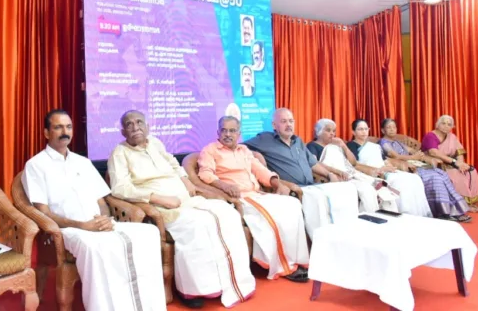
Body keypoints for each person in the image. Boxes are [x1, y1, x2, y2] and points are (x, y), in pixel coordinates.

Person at [108, 110, 255, 308]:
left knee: (228, 213)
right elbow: (119, 188)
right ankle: (193, 289)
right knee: (198, 225)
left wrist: (185, 180)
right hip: (160, 207)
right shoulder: (120, 153)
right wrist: (157, 198)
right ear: (122, 131)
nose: (135, 128)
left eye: (139, 122)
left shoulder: (156, 143)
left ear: (147, 126)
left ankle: (230, 280)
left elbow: (172, 162)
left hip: (186, 200)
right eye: (129, 124)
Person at [23, 110, 167, 310]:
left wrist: (105, 219)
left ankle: (144, 305)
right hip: (68, 229)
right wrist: (83, 225)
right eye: (58, 127)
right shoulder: (36, 165)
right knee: (95, 248)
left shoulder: (83, 162)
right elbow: (43, 212)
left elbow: (101, 201)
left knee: (149, 233)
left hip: (98, 223)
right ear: (47, 133)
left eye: (68, 127)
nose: (65, 132)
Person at [198, 116, 309, 283]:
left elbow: (260, 170)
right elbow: (205, 173)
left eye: (232, 130)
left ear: (239, 133)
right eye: (224, 130)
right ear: (218, 132)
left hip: (257, 194)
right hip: (238, 197)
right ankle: (283, 266)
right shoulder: (210, 150)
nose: (228, 134)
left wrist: (276, 183)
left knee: (292, 204)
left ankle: (295, 258)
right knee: (274, 216)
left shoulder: (244, 150)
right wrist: (224, 186)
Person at [244, 108, 359, 238]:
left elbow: (313, 164)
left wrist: (329, 174)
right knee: (318, 200)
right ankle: (321, 239)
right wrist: (256, 154)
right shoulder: (264, 139)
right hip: (296, 188)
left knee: (346, 189)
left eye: (291, 121)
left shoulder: (298, 141)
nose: (288, 125)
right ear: (274, 125)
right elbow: (240, 147)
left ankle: (346, 233)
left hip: (312, 185)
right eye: (283, 121)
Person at [377, 118, 471, 222]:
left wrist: (421, 155)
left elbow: (413, 151)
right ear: (383, 130)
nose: (392, 129)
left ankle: (455, 210)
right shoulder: (383, 142)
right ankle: (442, 212)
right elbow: (393, 155)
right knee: (435, 178)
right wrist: (413, 158)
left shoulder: (398, 142)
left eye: (394, 127)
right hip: (404, 168)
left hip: (416, 164)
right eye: (389, 127)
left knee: (441, 174)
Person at [306, 118, 401, 214]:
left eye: (334, 131)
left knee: (379, 185)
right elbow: (315, 163)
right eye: (328, 130)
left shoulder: (336, 145)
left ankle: (387, 214)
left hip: (348, 174)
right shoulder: (312, 146)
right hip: (336, 176)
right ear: (319, 131)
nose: (332, 133)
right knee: (366, 190)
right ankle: (369, 217)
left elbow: (353, 163)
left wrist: (343, 146)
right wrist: (337, 172)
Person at [344, 119, 432, 218]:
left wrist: (389, 166)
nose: (364, 132)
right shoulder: (351, 145)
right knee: (401, 182)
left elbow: (384, 159)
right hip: (373, 173)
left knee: (415, 179)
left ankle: (419, 214)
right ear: (353, 132)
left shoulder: (374, 146)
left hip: (386, 169)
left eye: (365, 129)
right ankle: (406, 213)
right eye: (360, 129)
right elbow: (355, 164)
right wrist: (380, 169)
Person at [421, 115, 478, 212]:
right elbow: (434, 152)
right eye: (443, 123)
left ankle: (469, 201)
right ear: (438, 124)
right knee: (456, 175)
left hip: (450, 163)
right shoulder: (430, 136)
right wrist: (455, 163)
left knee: (471, 171)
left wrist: (461, 164)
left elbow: (459, 152)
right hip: (435, 163)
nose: (446, 126)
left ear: (452, 127)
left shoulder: (452, 137)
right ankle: (460, 203)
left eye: (449, 124)